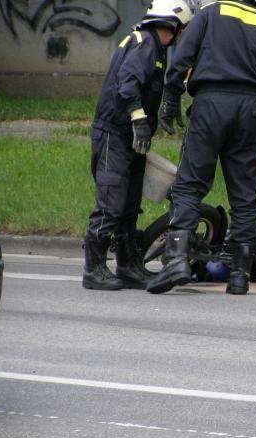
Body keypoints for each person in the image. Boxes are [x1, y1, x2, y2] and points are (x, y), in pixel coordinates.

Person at [147, 0, 256, 295]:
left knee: (189, 185)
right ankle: (240, 275)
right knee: (244, 194)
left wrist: (170, 97)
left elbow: (183, 56)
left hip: (210, 104)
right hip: (250, 110)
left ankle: (177, 260)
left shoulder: (210, 13)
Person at [83, 0, 194, 290]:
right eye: (181, 28)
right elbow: (127, 83)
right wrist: (139, 120)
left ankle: (127, 266)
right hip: (115, 135)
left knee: (130, 205)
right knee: (111, 202)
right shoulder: (144, 44)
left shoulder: (154, 48)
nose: (182, 35)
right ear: (172, 24)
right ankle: (93, 270)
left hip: (130, 139)